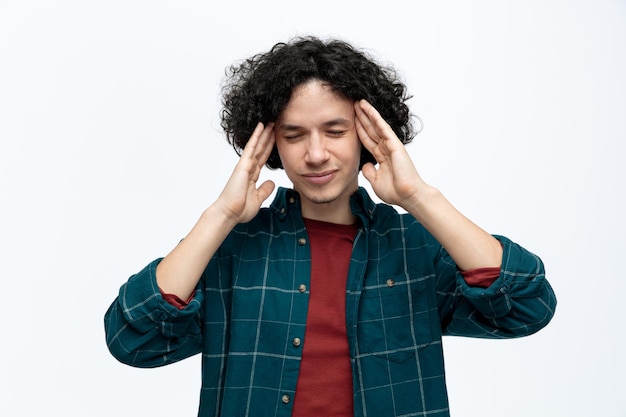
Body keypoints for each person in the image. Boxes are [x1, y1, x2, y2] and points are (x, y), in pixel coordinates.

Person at [104, 36, 556, 417]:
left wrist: (419, 197)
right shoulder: (232, 250)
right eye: (294, 135)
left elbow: (527, 305)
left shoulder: (415, 247)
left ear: (367, 135)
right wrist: (219, 216)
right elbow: (132, 339)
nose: (315, 154)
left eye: (335, 132)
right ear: (270, 144)